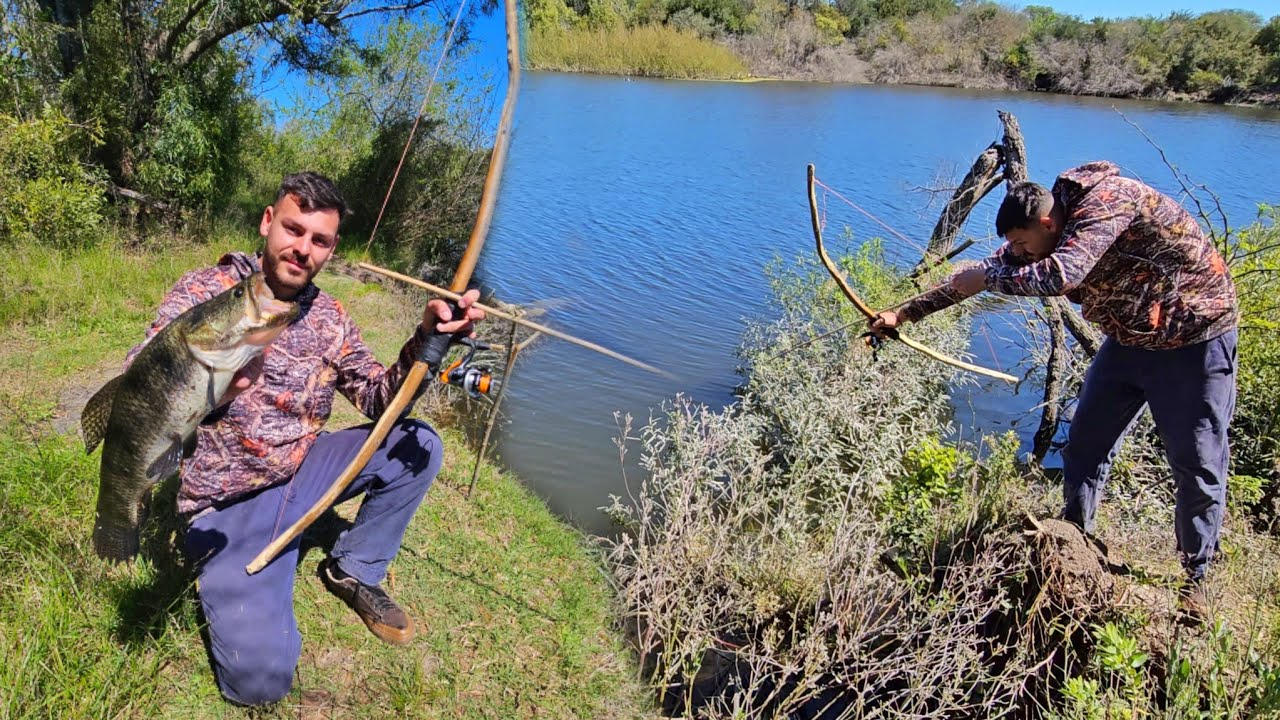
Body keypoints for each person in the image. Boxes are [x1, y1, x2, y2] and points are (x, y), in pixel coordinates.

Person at [123, 172, 485, 705]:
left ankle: (352, 568)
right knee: (260, 683)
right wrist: (216, 393)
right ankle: (261, 566)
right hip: (227, 504)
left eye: (319, 241)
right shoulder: (206, 290)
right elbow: (139, 380)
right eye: (294, 230)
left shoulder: (330, 316)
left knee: (419, 446)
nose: (302, 249)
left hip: (304, 468)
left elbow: (376, 400)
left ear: (332, 249)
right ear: (268, 223)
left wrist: (427, 344)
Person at [871, 161, 1238, 620]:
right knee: (1085, 443)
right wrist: (903, 315)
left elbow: (1062, 275)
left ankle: (1196, 581)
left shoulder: (1108, 202)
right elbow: (982, 273)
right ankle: (1075, 544)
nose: (1018, 253)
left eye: (1023, 243)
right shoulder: (1040, 237)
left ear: (1047, 223)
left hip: (1194, 339)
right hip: (1128, 339)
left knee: (1196, 462)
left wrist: (988, 279)